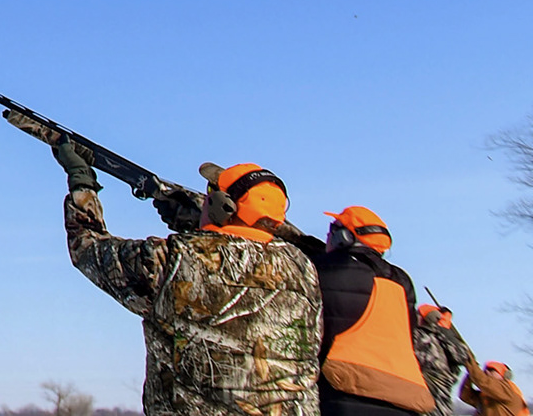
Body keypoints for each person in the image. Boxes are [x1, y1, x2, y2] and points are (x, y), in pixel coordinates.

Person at [51, 144, 323, 416]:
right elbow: (245, 253)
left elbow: (87, 247)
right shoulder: (304, 270)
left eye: (209, 196)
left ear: (221, 206)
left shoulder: (174, 259)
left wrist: (81, 180)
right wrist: (196, 222)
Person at [304, 206, 434, 416]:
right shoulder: (402, 281)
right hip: (405, 397)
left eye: (331, 231)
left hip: (345, 392)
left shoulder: (324, 268)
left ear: (343, 237)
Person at [413, 305, 469, 416]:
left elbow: (462, 356)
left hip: (441, 394)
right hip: (422, 389)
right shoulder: (417, 333)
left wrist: (444, 330)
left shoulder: (441, 335)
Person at [460, 363, 528, 416]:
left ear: (504, 375)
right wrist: (470, 377)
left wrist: (470, 362)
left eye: (491, 370)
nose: (486, 372)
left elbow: (483, 382)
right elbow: (465, 396)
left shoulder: (507, 388)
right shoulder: (488, 395)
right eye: (485, 370)